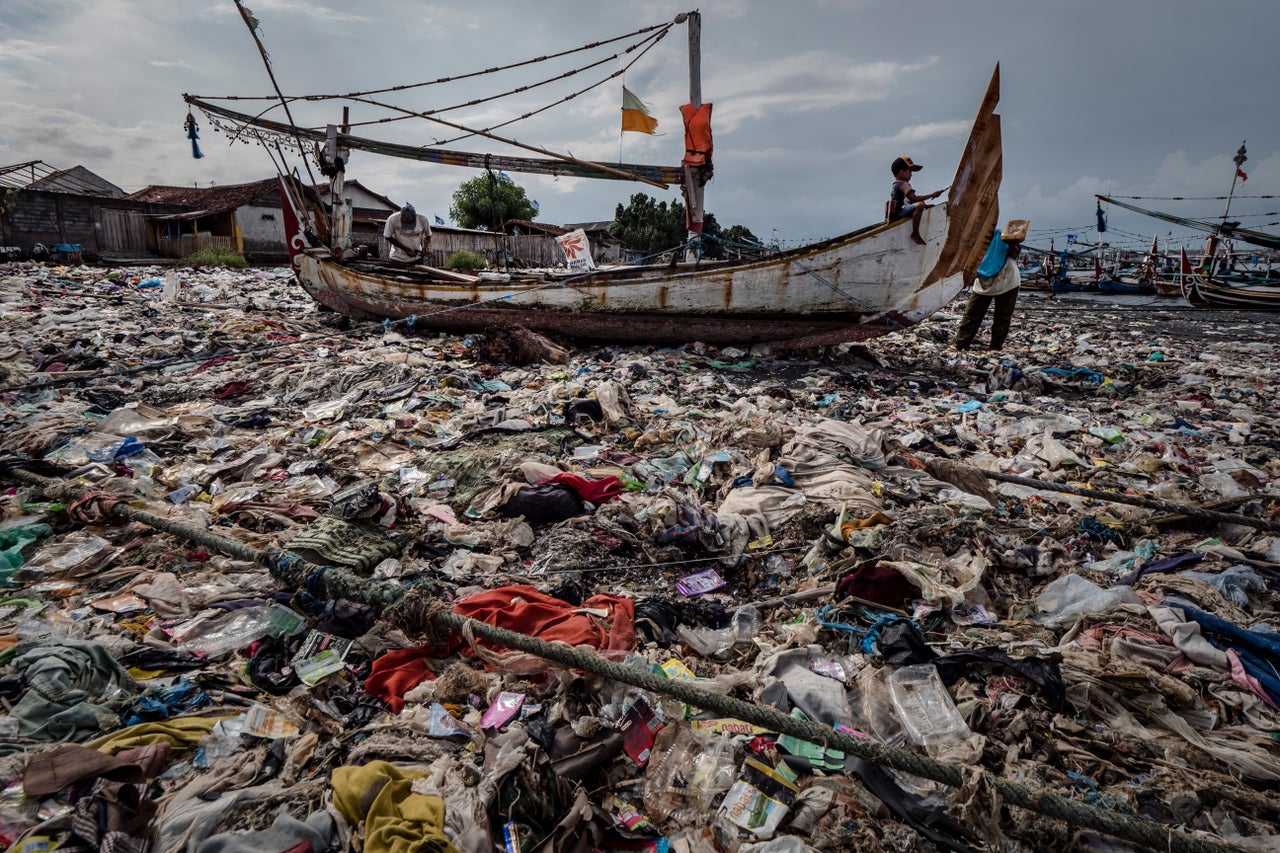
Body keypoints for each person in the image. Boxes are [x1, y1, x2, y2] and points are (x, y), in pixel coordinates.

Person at [954, 219, 1028, 352]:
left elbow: (1014, 253)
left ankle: (995, 347)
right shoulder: (973, 240)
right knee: (972, 313)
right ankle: (961, 344)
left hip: (1006, 278)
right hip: (983, 280)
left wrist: (1012, 242)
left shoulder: (1001, 236)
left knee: (1002, 316)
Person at [889, 156, 944, 245]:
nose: (911, 174)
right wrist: (932, 195)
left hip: (898, 212)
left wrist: (925, 205)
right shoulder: (903, 184)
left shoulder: (896, 184)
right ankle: (915, 233)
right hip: (898, 213)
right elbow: (913, 198)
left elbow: (910, 200)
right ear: (902, 172)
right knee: (919, 205)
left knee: (921, 204)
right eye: (910, 171)